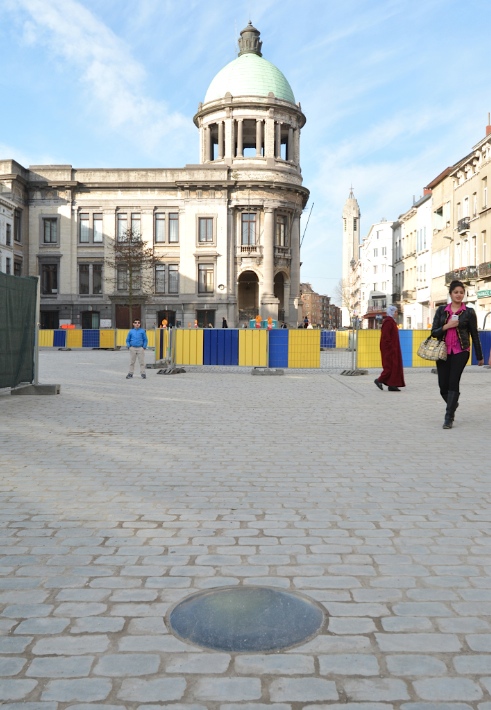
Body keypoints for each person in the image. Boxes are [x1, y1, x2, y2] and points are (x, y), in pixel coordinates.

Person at [431, 280, 483, 429]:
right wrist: (447, 326)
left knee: (454, 382)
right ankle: (453, 403)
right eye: (456, 292)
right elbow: (434, 332)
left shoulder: (469, 312)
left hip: (461, 351)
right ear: (451, 294)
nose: (459, 295)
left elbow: (474, 334)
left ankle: (449, 417)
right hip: (443, 351)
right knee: (443, 386)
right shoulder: (441, 311)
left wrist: (479, 356)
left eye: (461, 292)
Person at [374, 305, 405, 392]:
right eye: (395, 312)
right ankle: (379, 380)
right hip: (389, 348)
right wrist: (391, 347)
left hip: (393, 347)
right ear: (391, 312)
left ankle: (392, 384)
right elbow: (386, 336)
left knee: (395, 365)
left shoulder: (391, 321)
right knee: (390, 366)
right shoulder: (388, 322)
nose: (396, 314)